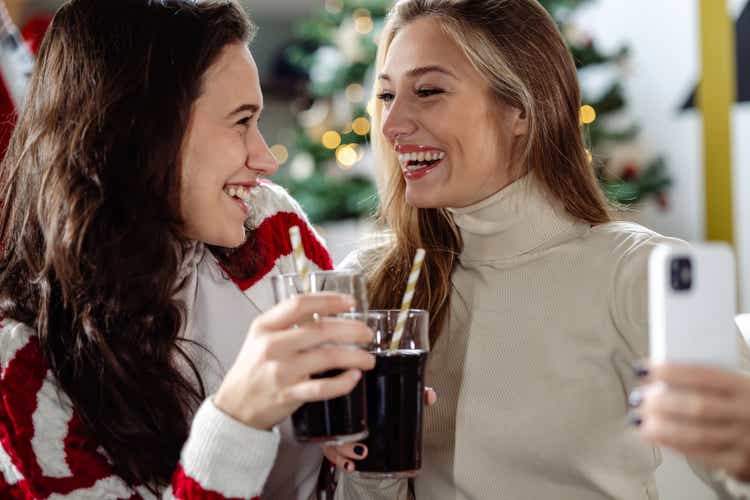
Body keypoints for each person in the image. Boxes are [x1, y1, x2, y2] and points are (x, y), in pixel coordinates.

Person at [326, 0, 750, 499]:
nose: (393, 123)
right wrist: (375, 463)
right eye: (386, 95)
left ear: (521, 111)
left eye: (428, 91)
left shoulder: (636, 273)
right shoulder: (373, 280)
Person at [0, 0, 375, 498]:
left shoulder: (271, 228)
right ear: (142, 132)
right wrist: (237, 420)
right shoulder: (22, 358)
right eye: (241, 121)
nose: (266, 158)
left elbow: (337, 454)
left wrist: (367, 446)